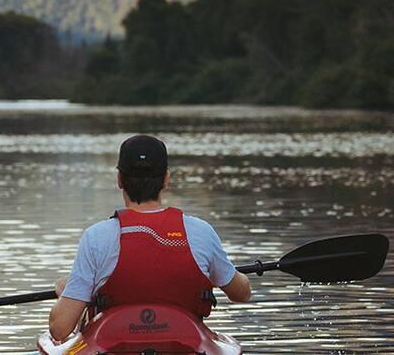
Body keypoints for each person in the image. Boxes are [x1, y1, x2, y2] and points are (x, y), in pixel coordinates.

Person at [47, 134, 252, 342]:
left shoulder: (96, 237)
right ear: (166, 180)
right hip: (184, 345)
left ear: (119, 180)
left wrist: (68, 293)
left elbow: (60, 329)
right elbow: (241, 293)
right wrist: (215, 273)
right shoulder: (201, 232)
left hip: (116, 346)